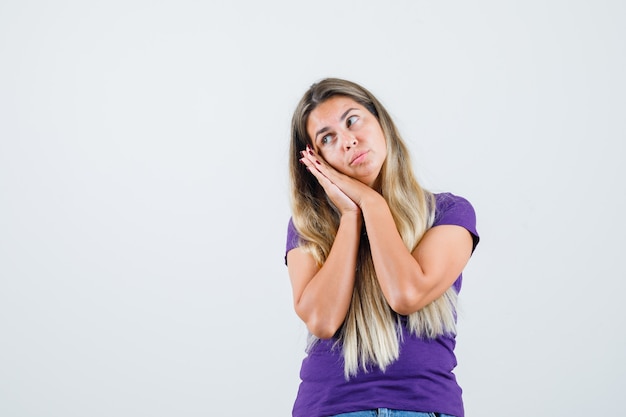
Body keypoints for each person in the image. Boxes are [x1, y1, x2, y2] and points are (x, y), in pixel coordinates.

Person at [285, 78, 479, 417]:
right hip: (332, 409)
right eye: (327, 138)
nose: (348, 141)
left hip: (425, 408)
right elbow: (322, 320)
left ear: (381, 122)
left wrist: (372, 204)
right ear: (316, 160)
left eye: (352, 120)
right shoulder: (308, 228)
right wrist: (349, 215)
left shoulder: (448, 213)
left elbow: (406, 293)